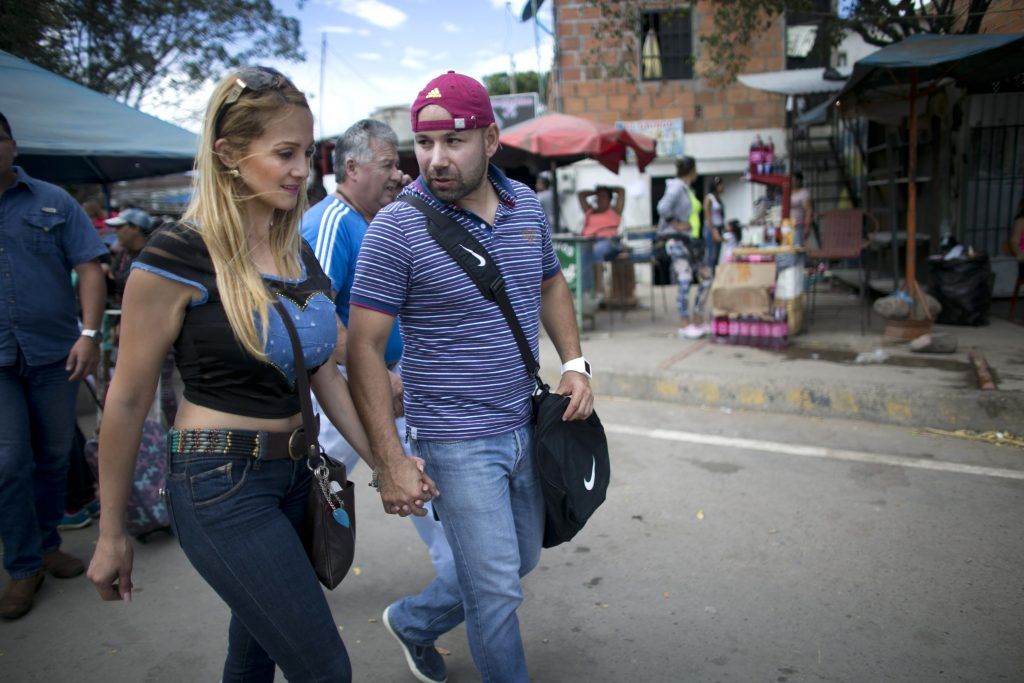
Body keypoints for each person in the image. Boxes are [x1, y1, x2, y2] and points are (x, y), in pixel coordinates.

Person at [86, 67, 420, 681]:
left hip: (298, 474)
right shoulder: (176, 254)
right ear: (228, 154)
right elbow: (127, 401)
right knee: (326, 668)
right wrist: (111, 533)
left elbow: (323, 372)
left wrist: (385, 461)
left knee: (254, 653)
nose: (301, 171)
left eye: (307, 153)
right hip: (219, 483)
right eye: (284, 153)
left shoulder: (297, 249)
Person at [347, 71, 594, 683]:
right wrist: (389, 459)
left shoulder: (525, 206)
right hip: (454, 438)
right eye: (424, 143)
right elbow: (364, 349)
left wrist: (574, 363)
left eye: (453, 141)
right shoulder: (396, 229)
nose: (436, 158)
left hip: (525, 422)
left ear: (490, 138)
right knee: (497, 590)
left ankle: (413, 621)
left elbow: (550, 282)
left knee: (520, 563)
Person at [301, 118, 456, 605]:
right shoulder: (331, 222)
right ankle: (285, 566)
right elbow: (316, 313)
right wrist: (378, 374)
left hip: (379, 376)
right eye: (388, 165)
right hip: (343, 380)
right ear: (352, 168)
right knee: (319, 479)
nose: (398, 175)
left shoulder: (372, 218)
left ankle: (459, 571)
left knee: (406, 465)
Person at [0, 111, 108, 620]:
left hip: (55, 354)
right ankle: (23, 567)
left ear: (13, 145)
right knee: (9, 461)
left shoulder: (53, 200)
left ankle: (46, 546)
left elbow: (90, 268)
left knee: (52, 458)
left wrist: (90, 335)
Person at [657, 156, 708, 338]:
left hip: (690, 241)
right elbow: (663, 207)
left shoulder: (686, 189)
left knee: (706, 277)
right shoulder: (676, 187)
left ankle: (697, 318)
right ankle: (685, 323)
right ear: (692, 170)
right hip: (677, 240)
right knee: (685, 279)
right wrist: (675, 223)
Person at [578, 184, 626, 261]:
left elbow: (621, 191)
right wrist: (596, 192)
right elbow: (581, 195)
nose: (600, 199)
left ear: (609, 199)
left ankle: (599, 269)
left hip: (608, 241)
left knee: (598, 249)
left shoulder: (615, 211)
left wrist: (606, 190)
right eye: (598, 197)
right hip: (588, 241)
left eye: (603, 197)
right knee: (578, 250)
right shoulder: (589, 211)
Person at [703, 176, 725, 271]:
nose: (723, 187)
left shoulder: (718, 199)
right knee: (711, 254)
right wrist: (713, 231)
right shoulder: (709, 198)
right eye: (720, 185)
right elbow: (708, 217)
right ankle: (710, 274)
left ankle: (715, 274)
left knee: (717, 255)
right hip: (711, 229)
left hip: (719, 228)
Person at [790, 171, 813, 247]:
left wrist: (807, 227)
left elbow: (808, 210)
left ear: (799, 181)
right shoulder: (788, 191)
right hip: (787, 225)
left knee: (798, 247)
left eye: (794, 179)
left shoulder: (804, 193)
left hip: (798, 225)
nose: (792, 181)